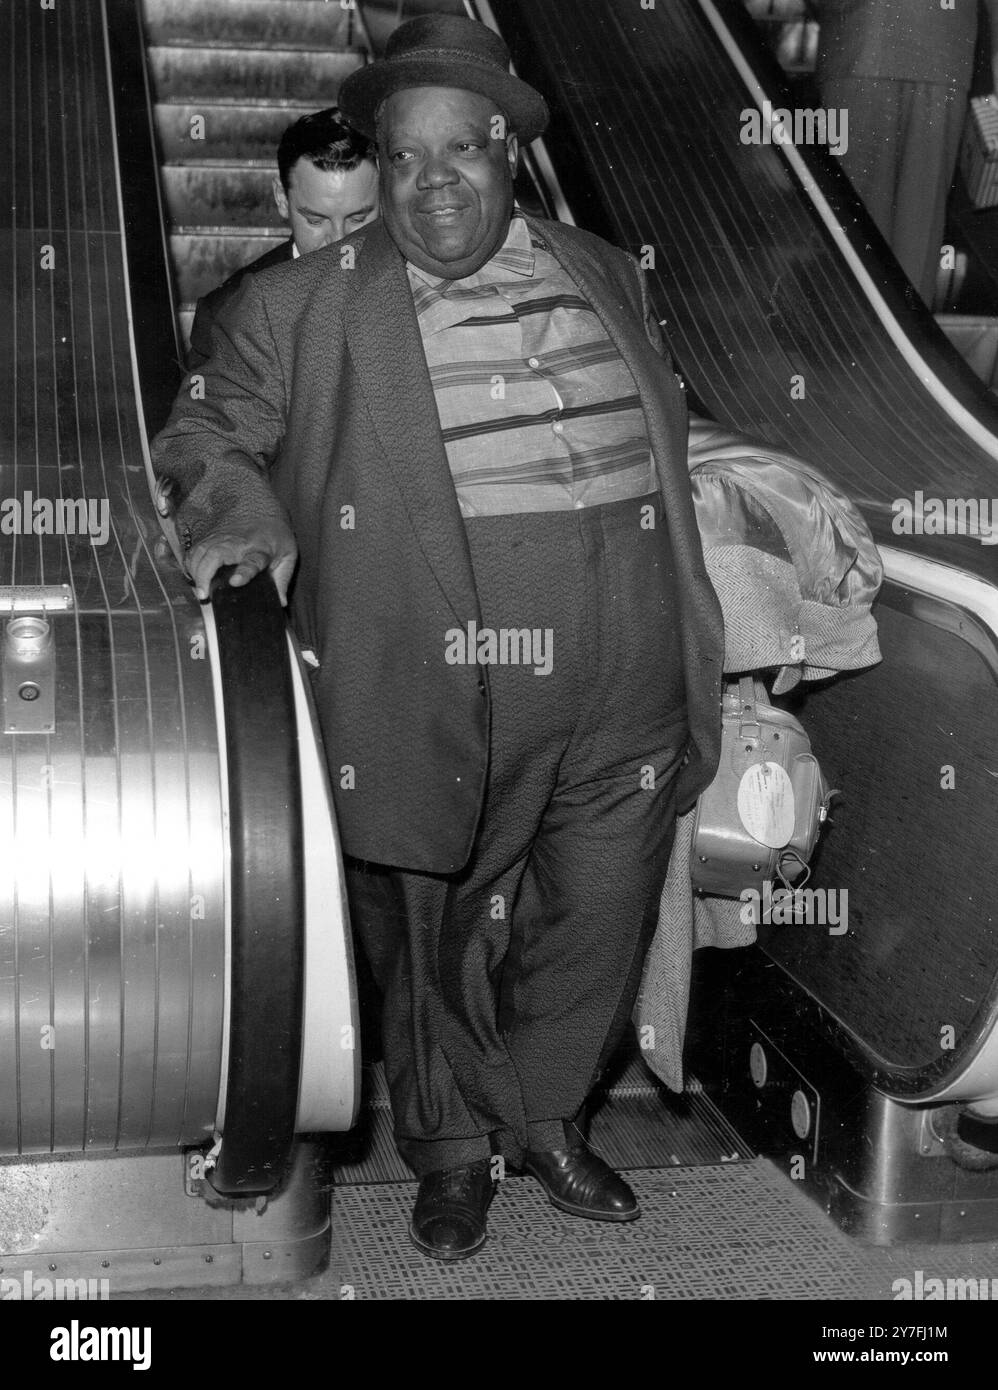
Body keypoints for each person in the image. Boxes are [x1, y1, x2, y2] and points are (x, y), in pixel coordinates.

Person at [152, 15, 732, 1262]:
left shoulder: (600, 270)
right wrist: (246, 524)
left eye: (456, 153)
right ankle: (450, 1153)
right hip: (441, 674)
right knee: (431, 930)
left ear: (505, 154)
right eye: (404, 160)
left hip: (628, 661)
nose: (430, 185)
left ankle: (543, 1116)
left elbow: (669, 438)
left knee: (600, 909)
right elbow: (204, 434)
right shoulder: (296, 306)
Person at [814, 0, 998, 305]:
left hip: (862, 39)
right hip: (940, 45)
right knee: (915, 237)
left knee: (849, 230)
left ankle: (845, 336)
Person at [186, 107, 378, 368]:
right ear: (281, 198)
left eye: (358, 219)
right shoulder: (228, 313)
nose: (338, 243)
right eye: (315, 220)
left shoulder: (421, 279)